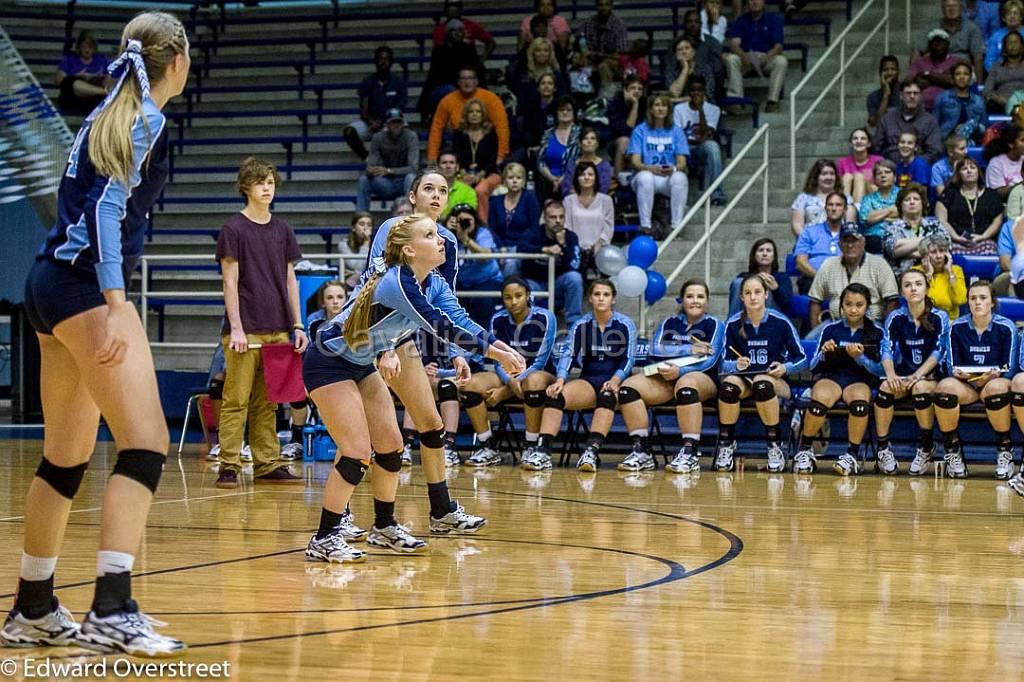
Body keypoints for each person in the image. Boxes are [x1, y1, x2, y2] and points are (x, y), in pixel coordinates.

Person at [4, 11, 189, 656]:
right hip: (84, 290)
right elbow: (109, 209)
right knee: (145, 444)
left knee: (65, 457)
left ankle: (32, 606)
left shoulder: (106, 112)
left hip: (46, 284)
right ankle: (112, 608)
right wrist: (116, 301)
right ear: (179, 64)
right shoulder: (144, 119)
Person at [304, 214, 518, 563]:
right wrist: (494, 351)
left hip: (360, 365)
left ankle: (384, 527)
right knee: (358, 452)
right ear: (408, 250)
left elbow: (459, 320)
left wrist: (502, 348)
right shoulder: (395, 281)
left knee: (391, 448)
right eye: (431, 235)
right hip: (327, 362)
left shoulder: (432, 282)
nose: (442, 240)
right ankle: (325, 538)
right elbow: (439, 326)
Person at [359, 170, 527, 534]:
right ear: (413, 196)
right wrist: (383, 348)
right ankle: (344, 520)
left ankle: (440, 512)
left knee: (432, 425)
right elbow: (371, 288)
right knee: (365, 438)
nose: (436, 195)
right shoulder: (391, 228)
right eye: (429, 189)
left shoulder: (446, 241)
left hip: (403, 338)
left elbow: (444, 307)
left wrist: (457, 352)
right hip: (367, 338)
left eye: (443, 190)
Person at [215, 158, 308, 489]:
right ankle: (229, 463)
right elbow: (230, 281)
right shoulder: (233, 229)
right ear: (246, 188)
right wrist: (236, 328)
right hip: (244, 329)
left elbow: (289, 279)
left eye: (270, 181)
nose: (267, 187)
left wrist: (298, 324)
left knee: (268, 402)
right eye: (260, 182)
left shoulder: (283, 229)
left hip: (278, 328)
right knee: (235, 400)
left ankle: (267, 462)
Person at [616, 279, 724, 474]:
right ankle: (642, 450)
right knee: (628, 387)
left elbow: (710, 359)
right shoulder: (669, 322)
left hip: (703, 379)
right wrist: (688, 348)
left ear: (707, 301)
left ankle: (690, 452)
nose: (695, 301)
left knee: (686, 383)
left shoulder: (715, 324)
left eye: (700, 297)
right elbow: (655, 349)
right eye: (690, 296)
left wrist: (680, 370)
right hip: (666, 377)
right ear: (681, 300)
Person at [530, 279, 636, 472]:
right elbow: (568, 354)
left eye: (606, 294)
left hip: (615, 381)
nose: (601, 298)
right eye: (597, 294)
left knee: (607, 396)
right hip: (588, 379)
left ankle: (591, 452)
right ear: (590, 298)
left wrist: (615, 380)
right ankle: (542, 451)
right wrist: (560, 380)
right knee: (555, 396)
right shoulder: (581, 325)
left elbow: (628, 359)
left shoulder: (625, 324)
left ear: (613, 299)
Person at [715, 274, 807, 473]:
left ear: (766, 294)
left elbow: (802, 358)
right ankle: (726, 444)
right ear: (741, 297)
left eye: (757, 292)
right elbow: (722, 364)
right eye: (747, 293)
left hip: (775, 380)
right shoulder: (732, 324)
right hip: (744, 380)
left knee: (762, 383)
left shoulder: (780, 322)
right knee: (729, 386)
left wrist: (785, 368)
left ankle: (775, 446)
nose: (753, 297)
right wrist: (736, 365)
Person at [462, 277, 558, 467]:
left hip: (541, 375)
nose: (513, 302)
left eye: (518, 296)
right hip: (507, 376)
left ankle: (531, 445)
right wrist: (510, 382)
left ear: (528, 296)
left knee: (533, 381)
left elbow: (540, 361)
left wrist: (508, 388)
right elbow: (497, 359)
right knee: (469, 384)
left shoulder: (545, 318)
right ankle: (487, 446)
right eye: (507, 297)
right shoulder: (497, 319)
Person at [793, 283, 884, 476]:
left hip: (859, 379)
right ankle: (805, 449)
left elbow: (880, 370)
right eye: (848, 304)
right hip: (831, 377)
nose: (853, 309)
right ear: (841, 305)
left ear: (867, 306)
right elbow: (813, 366)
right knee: (820, 398)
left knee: (860, 401)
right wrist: (824, 353)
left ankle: (852, 454)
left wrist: (860, 358)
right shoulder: (830, 329)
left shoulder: (877, 332)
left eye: (859, 304)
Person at [932, 280, 1016, 479]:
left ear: (992, 302)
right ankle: (953, 451)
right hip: (967, 386)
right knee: (944, 388)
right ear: (968, 302)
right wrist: (974, 380)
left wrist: (986, 380)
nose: (977, 302)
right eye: (973, 298)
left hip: (995, 383)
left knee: (996, 388)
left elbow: (1010, 370)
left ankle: (1005, 452)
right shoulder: (957, 327)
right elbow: (954, 367)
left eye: (983, 298)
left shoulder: (1006, 327)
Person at [873, 269, 950, 476]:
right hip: (903, 377)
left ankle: (926, 447)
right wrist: (890, 374)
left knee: (920, 387)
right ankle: (883, 448)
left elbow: (939, 350)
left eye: (918, 284)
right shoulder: (895, 317)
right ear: (901, 291)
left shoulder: (939, 316)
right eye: (907, 285)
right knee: (885, 388)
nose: (913, 288)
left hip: (931, 377)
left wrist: (918, 375)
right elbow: (886, 347)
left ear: (926, 288)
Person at [807, 224, 900, 336]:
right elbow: (815, 300)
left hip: (870, 323)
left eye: (855, 241)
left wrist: (887, 331)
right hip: (835, 322)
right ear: (839, 244)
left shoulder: (879, 264)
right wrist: (816, 328)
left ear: (863, 242)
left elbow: (892, 301)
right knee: (810, 340)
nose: (850, 245)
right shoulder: (828, 264)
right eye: (846, 241)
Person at [629, 92, 689, 235]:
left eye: (664, 105)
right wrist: (648, 168)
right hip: (644, 177)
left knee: (680, 177)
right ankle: (646, 226)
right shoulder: (640, 130)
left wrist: (673, 168)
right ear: (650, 109)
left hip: (667, 177)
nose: (660, 108)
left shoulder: (676, 131)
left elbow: (682, 162)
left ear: (668, 109)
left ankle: (676, 226)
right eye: (657, 105)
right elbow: (635, 161)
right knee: (645, 177)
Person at [520, 199, 584, 325]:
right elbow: (520, 247)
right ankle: (528, 326)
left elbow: (574, 266)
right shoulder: (534, 233)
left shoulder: (571, 237)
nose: (558, 221)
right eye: (553, 217)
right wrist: (544, 250)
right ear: (545, 218)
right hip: (535, 282)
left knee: (575, 278)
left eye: (561, 217)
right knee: (523, 287)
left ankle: (574, 324)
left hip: (558, 282)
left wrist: (563, 245)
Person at [428, 67, 509, 166]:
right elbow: (436, 129)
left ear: (476, 81)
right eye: (463, 78)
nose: (467, 82)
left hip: (486, 149)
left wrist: (501, 156)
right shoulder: (447, 101)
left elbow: (502, 128)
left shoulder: (491, 99)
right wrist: (432, 156)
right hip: (460, 148)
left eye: (470, 78)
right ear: (458, 82)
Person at [723, 0, 788, 113]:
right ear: (747, 2)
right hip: (746, 57)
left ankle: (772, 102)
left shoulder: (773, 19)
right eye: (751, 0)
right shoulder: (741, 20)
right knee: (731, 59)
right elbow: (734, 44)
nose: (754, 2)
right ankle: (736, 101)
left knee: (781, 61)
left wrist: (767, 57)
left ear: (763, 2)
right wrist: (744, 56)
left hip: (765, 57)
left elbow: (778, 46)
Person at [344, 46, 407, 160]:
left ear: (391, 62)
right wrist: (369, 121)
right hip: (371, 123)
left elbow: (400, 108)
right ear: (376, 61)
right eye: (380, 59)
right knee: (349, 132)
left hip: (391, 122)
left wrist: (385, 122)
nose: (383, 62)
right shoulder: (368, 81)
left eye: (386, 59)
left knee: (407, 132)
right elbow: (363, 107)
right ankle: (368, 159)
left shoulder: (399, 82)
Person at [446, 203, 503, 326]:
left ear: (475, 221)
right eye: (461, 221)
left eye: (468, 220)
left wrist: (465, 240)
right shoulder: (447, 236)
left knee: (483, 301)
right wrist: (444, 232)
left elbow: (485, 257)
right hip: (461, 283)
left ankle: (485, 338)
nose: (465, 223)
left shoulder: (482, 233)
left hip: (487, 281)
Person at [673, 75, 726, 205]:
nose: (696, 93)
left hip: (701, 148)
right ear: (689, 92)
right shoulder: (679, 109)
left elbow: (706, 135)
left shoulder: (713, 109)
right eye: (693, 90)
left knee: (712, 146)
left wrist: (700, 109)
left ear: (704, 91)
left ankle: (717, 194)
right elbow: (678, 137)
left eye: (700, 90)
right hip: (683, 147)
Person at [936, 156, 1004, 255]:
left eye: (972, 168)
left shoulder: (991, 195)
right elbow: (941, 220)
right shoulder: (949, 193)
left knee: (991, 250)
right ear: (959, 174)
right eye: (964, 169)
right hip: (955, 240)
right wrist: (955, 237)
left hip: (984, 241)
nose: (969, 171)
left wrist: (983, 236)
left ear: (978, 171)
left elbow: (997, 221)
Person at [355, 108, 418, 212]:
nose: (396, 125)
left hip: (403, 182)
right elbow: (371, 164)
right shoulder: (378, 138)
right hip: (385, 183)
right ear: (387, 124)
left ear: (403, 123)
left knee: (411, 177)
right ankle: (361, 218)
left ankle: (410, 215)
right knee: (363, 180)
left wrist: (389, 171)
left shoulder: (411, 136)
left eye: (399, 122)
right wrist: (372, 170)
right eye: (393, 122)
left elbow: (413, 168)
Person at [451, 97, 502, 220]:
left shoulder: (491, 134)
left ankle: (482, 224)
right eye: (471, 111)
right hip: (463, 174)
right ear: (466, 114)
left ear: (483, 114)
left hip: (489, 173)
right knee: (457, 189)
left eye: (478, 112)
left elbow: (492, 160)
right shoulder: (459, 133)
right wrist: (464, 174)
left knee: (480, 190)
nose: (474, 114)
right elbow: (456, 156)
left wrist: (479, 176)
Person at [418, 31, 484, 123]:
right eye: (454, 31)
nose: (457, 34)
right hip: (444, 89)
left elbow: (479, 75)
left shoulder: (469, 51)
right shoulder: (440, 51)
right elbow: (433, 78)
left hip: (463, 90)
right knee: (450, 91)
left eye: (460, 30)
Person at [873, 80, 943, 163]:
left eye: (915, 93)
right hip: (890, 167)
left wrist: (911, 163)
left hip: (917, 167)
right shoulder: (887, 118)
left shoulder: (930, 121)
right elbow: (876, 147)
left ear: (920, 96)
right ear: (901, 96)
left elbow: (934, 151)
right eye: (908, 93)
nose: (912, 96)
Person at [911, 0, 985, 77]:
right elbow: (917, 51)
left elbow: (978, 56)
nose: (951, 9)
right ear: (942, 9)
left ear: (961, 8)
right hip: (935, 68)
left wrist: (978, 86)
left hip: (960, 70)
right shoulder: (931, 27)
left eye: (954, 6)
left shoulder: (972, 28)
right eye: (948, 6)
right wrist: (912, 75)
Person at [883, 183, 945, 275]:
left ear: (923, 203)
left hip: (933, 275)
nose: (912, 202)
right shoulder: (892, 227)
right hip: (901, 277)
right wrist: (929, 240)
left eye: (916, 199)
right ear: (900, 205)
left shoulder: (935, 224)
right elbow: (894, 251)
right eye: (907, 200)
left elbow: (945, 245)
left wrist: (905, 249)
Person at [564, 161, 614, 265]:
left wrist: (600, 243)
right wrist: (576, 245)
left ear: (596, 178)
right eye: (582, 174)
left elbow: (609, 226)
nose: (586, 177)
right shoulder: (568, 200)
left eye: (590, 174)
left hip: (601, 249)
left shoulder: (606, 200)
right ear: (577, 178)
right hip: (575, 249)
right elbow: (566, 226)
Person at [727, 238, 793, 317]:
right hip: (747, 313)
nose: (764, 254)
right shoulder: (743, 276)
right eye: (761, 250)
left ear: (774, 256)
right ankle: (732, 323)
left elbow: (788, 303)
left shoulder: (782, 277)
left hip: (772, 316)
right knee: (739, 283)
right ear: (754, 255)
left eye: (768, 250)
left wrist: (776, 289)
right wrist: (757, 279)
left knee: (764, 287)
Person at [791, 159, 855, 238]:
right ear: (816, 177)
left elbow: (850, 228)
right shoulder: (804, 198)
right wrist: (810, 240)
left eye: (832, 174)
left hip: (837, 243)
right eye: (824, 174)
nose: (829, 177)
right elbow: (796, 225)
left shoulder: (846, 198)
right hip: (810, 243)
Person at [794, 192, 848, 284]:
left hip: (844, 281)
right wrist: (820, 278)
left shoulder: (851, 234)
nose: (834, 208)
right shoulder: (809, 231)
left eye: (838, 205)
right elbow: (800, 262)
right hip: (814, 280)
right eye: (830, 205)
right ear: (825, 208)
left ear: (845, 209)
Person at [911, 231, 967, 319]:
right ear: (924, 256)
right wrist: (928, 274)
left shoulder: (956, 270)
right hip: (923, 320)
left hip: (950, 321)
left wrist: (949, 272)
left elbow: (960, 300)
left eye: (942, 251)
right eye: (933, 252)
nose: (939, 256)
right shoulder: (916, 272)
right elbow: (916, 302)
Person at [55, 30, 110, 115]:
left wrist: (94, 77)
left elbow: (110, 78)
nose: (87, 50)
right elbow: (59, 80)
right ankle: (102, 91)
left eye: (90, 47)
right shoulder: (70, 58)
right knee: (70, 82)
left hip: (94, 97)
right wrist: (76, 76)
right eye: (84, 47)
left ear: (94, 47)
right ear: (79, 47)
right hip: (74, 96)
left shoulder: (101, 59)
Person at [537, 95, 581, 202]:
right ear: (556, 113)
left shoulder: (580, 133)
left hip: (572, 179)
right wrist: (553, 179)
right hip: (549, 180)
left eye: (568, 110)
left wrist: (563, 179)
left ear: (574, 113)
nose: (565, 112)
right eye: (561, 110)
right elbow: (540, 161)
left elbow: (579, 160)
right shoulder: (548, 134)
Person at [489, 162, 541, 251]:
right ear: (504, 181)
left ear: (524, 181)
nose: (515, 181)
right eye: (510, 178)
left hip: (524, 248)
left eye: (519, 178)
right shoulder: (495, 202)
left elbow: (534, 228)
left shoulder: (530, 199)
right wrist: (501, 247)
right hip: (499, 248)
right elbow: (491, 230)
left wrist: (518, 246)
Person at [578, 0, 630, 88]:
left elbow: (621, 55)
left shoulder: (619, 25)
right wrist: (585, 53)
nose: (603, 8)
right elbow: (580, 41)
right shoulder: (588, 23)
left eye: (607, 5)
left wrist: (603, 55)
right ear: (596, 6)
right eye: (600, 5)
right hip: (592, 59)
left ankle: (606, 96)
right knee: (579, 63)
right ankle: (583, 95)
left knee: (603, 66)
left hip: (613, 61)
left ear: (612, 6)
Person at [933, 62, 987, 141]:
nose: (962, 77)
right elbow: (934, 125)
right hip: (947, 140)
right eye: (958, 74)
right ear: (952, 78)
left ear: (970, 78)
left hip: (971, 140)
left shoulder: (978, 101)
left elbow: (984, 127)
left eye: (966, 74)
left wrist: (969, 126)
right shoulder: (942, 97)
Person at [907, 29, 959, 111]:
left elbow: (952, 81)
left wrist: (927, 74)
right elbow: (909, 82)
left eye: (941, 43)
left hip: (948, 108)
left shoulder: (955, 62)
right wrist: (941, 80)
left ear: (948, 45)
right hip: (922, 108)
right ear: (929, 45)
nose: (938, 46)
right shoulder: (919, 62)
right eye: (935, 42)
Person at [606, 75, 646, 178]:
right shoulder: (616, 104)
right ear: (625, 90)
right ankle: (618, 180)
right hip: (617, 144)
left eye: (640, 89)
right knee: (625, 141)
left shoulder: (645, 103)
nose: (636, 91)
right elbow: (626, 131)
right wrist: (635, 106)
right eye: (633, 88)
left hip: (638, 142)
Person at [857, 159, 900, 252]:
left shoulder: (903, 194)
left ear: (895, 177)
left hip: (899, 234)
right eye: (879, 173)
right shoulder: (868, 198)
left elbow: (904, 214)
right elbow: (865, 218)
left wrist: (876, 215)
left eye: (887, 172)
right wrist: (889, 210)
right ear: (875, 179)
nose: (883, 175)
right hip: (873, 238)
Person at [560, 126, 613, 197]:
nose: (589, 141)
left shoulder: (604, 165)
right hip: (573, 202)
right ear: (580, 144)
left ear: (597, 144)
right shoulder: (572, 164)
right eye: (585, 138)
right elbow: (566, 189)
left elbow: (603, 190)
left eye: (592, 138)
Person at [837, 128, 883, 207]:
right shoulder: (842, 162)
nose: (859, 141)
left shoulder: (878, 161)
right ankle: (844, 209)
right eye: (855, 138)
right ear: (850, 143)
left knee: (859, 177)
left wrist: (863, 180)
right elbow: (838, 187)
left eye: (863, 138)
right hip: (848, 197)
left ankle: (857, 212)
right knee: (847, 177)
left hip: (872, 199)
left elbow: (882, 187)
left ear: (869, 144)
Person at [665, 36, 717, 105]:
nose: (684, 52)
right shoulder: (671, 71)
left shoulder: (705, 69)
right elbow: (673, 94)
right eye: (680, 50)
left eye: (687, 48)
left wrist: (676, 100)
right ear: (675, 54)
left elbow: (705, 97)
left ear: (693, 52)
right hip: (679, 108)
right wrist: (685, 69)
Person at [983, 31, 1024, 113]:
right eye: (1010, 43)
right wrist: (999, 99)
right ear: (1004, 48)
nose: (1013, 45)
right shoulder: (996, 66)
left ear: (1022, 47)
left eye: (1016, 42)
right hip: (1000, 103)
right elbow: (987, 90)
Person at [984, 123, 1024, 198]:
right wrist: (1021, 185)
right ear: (1011, 144)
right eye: (1022, 140)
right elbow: (997, 194)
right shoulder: (996, 163)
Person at [984, 0, 1024, 71]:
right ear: (1004, 18)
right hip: (1002, 75)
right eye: (1009, 14)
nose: (1012, 16)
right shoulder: (996, 36)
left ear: (1021, 17)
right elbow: (988, 62)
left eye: (1015, 13)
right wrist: (1001, 73)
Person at [437, 150, 477, 219]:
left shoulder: (468, 191)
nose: (448, 166)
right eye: (444, 163)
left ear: (457, 167)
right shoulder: (430, 190)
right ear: (438, 167)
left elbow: (468, 216)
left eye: (451, 163)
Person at [867, 55, 900, 130]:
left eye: (893, 69)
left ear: (898, 71)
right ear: (880, 73)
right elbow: (878, 123)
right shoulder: (872, 97)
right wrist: (886, 94)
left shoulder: (906, 92)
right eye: (885, 70)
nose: (889, 73)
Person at [340, 212, 373, 286]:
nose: (365, 228)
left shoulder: (376, 243)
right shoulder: (344, 244)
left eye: (369, 225)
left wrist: (357, 273)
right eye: (361, 224)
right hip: (352, 284)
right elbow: (358, 267)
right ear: (353, 228)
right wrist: (366, 242)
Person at [930, 132, 968, 196]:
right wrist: (955, 173)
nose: (966, 151)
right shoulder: (938, 168)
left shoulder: (970, 165)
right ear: (950, 152)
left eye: (966, 147)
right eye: (962, 149)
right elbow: (942, 195)